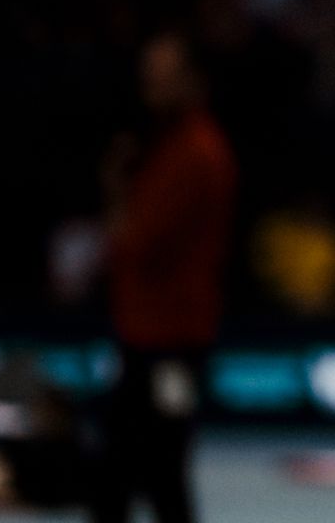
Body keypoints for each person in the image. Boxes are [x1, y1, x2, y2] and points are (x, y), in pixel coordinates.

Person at [91, 30, 238, 523]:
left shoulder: (196, 153)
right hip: (146, 335)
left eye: (163, 76)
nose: (151, 86)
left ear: (193, 80)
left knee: (156, 471)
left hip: (170, 344)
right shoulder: (168, 146)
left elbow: (137, 243)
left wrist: (115, 188)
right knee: (133, 472)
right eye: (148, 75)